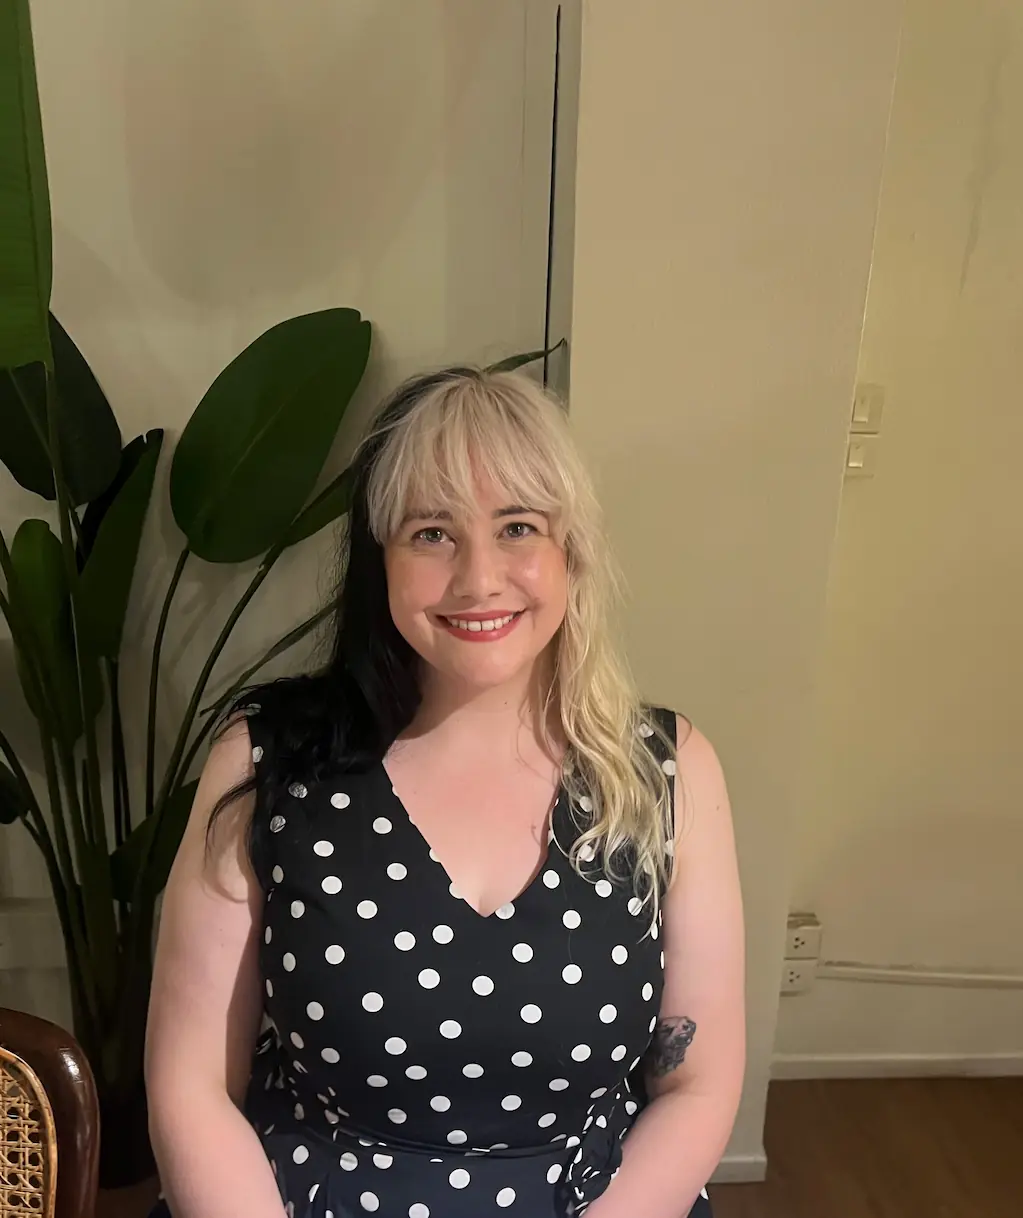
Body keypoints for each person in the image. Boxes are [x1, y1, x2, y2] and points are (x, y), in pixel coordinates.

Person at [145, 368, 744, 1218]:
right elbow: (192, 1081)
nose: (478, 579)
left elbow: (698, 1082)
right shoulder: (265, 760)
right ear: (380, 560)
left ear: (571, 553)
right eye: (432, 533)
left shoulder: (668, 769)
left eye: (518, 527)